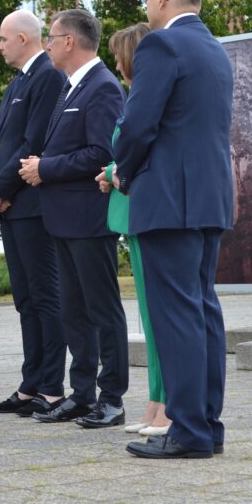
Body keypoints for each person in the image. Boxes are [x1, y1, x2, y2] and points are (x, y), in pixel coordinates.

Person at [113, 0, 234, 459]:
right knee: (202, 312)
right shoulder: (214, 49)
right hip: (208, 200)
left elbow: (138, 123)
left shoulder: (161, 45)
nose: (146, 4)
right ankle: (206, 425)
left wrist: (123, 169)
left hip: (167, 200)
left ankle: (186, 432)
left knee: (176, 316)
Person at [19, 9, 128, 429]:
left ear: (69, 41)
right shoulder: (69, 88)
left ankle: (112, 398)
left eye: (50, 37)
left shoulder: (102, 87)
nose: (45, 44)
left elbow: (101, 154)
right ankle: (81, 395)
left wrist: (45, 168)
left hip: (88, 217)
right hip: (62, 218)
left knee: (102, 310)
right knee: (73, 312)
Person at [0, 10, 67, 417]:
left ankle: (52, 386)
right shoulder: (19, 81)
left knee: (45, 296)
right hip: (12, 206)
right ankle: (31, 384)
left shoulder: (48, 76)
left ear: (21, 38)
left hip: (32, 205)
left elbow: (34, 143)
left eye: (2, 39)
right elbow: (3, 144)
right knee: (25, 299)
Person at [94, 22, 169, 437]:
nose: (117, 65)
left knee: (159, 319)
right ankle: (155, 403)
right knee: (148, 316)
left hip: (147, 208)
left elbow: (141, 150)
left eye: (120, 56)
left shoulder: (146, 98)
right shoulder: (135, 98)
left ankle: (166, 406)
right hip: (133, 214)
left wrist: (110, 170)